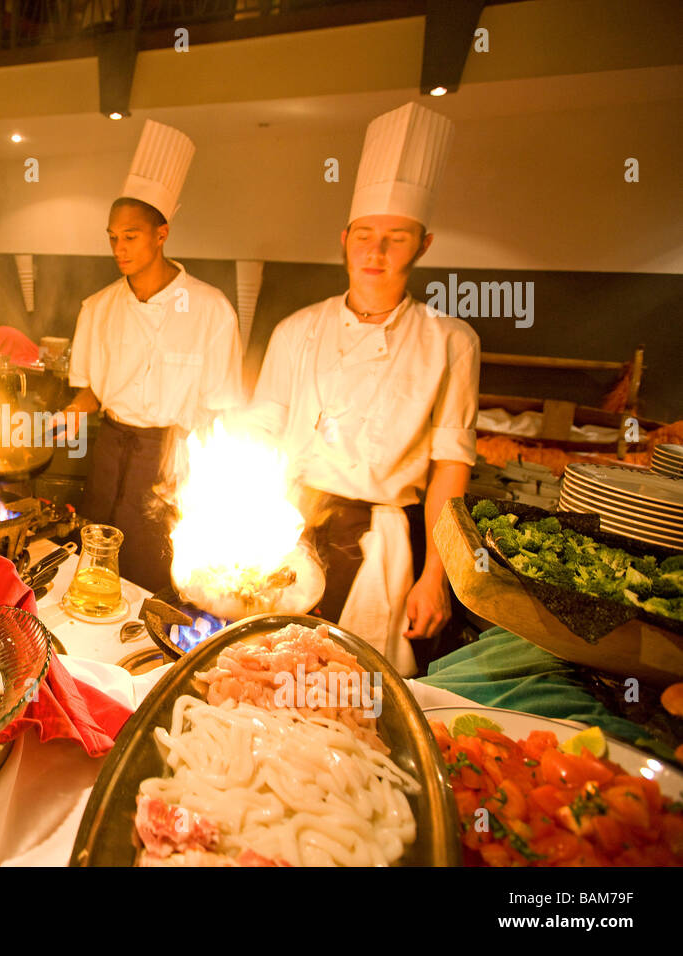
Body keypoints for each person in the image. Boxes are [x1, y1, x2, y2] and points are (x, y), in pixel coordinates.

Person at [246, 102, 479, 676]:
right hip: (288, 526)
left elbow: (450, 469)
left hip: (380, 543)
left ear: (423, 244)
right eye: (365, 236)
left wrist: (435, 578)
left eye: (396, 239)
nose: (376, 253)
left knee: (354, 686)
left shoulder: (450, 341)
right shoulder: (296, 329)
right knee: (269, 672)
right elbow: (261, 432)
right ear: (344, 238)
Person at [64, 121, 244, 594]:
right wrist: (58, 420)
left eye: (131, 237)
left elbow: (222, 411)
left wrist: (207, 481)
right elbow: (91, 393)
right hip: (109, 451)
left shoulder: (211, 309)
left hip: (171, 458)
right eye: (112, 238)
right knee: (93, 561)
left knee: (153, 572)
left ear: (161, 234)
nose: (119, 249)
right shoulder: (97, 307)